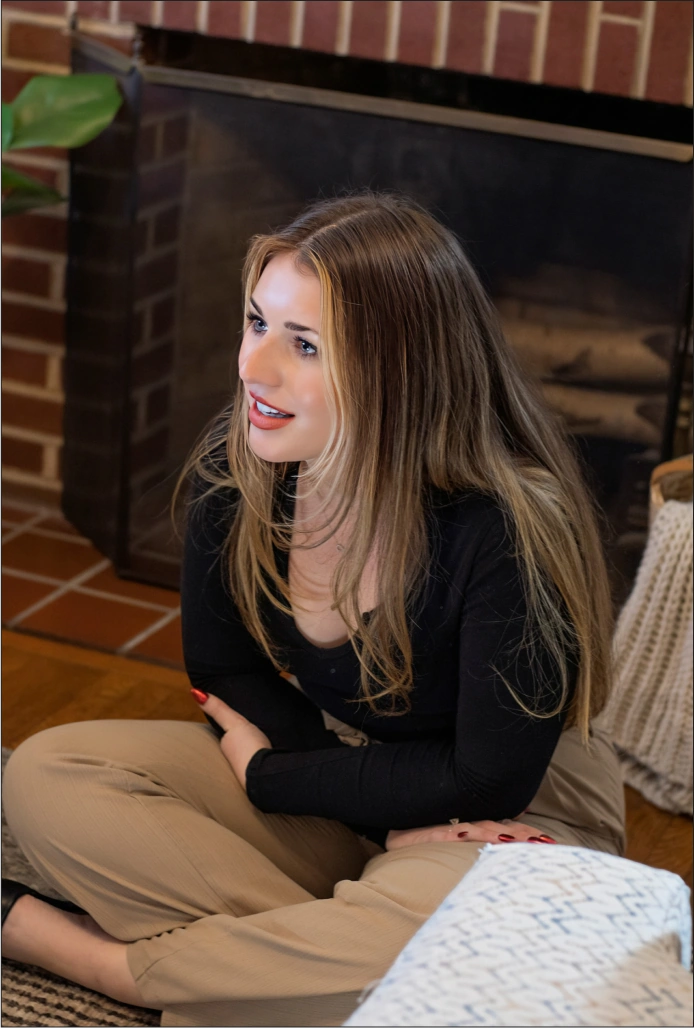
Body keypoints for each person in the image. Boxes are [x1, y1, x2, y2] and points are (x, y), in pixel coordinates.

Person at [2, 192, 625, 1028]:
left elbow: (488, 777)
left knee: (440, 926)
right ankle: (313, 969)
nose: (255, 370)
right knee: (50, 775)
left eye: (303, 345)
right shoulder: (247, 469)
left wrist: (270, 777)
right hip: (344, 769)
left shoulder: (504, 527)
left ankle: (108, 963)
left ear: (400, 370)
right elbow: (223, 668)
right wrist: (324, 789)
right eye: (257, 323)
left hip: (509, 820)